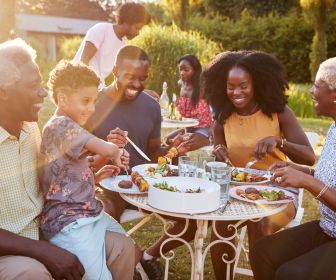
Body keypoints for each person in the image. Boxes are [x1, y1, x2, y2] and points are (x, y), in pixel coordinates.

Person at [86, 45, 199, 280]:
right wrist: (106, 148)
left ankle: (148, 256)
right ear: (115, 70)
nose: (137, 85)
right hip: (106, 186)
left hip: (147, 185)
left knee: (194, 217)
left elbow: (153, 153)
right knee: (102, 214)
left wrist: (174, 149)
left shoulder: (151, 106)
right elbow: (79, 158)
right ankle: (107, 269)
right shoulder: (92, 103)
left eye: (142, 79)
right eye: (130, 77)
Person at [202, 50, 316, 280]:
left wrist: (279, 142)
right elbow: (220, 156)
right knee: (220, 227)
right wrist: (218, 151)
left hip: (279, 191)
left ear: (257, 83)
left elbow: (309, 157)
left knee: (259, 222)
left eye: (243, 85)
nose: (236, 92)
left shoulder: (279, 113)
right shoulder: (222, 117)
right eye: (230, 86)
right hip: (237, 191)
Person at [39, 60, 136, 280]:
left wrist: (97, 176)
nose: (92, 108)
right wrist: (114, 151)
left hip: (88, 214)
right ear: (62, 98)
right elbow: (103, 147)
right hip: (70, 223)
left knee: (128, 246)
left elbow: (66, 177)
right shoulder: (60, 126)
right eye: (86, 101)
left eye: (94, 101)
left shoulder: (68, 127)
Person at [0, 38, 86, 280]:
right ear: (3, 92)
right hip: (9, 253)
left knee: (118, 247)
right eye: (33, 85)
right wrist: (43, 250)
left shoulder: (31, 126)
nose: (43, 92)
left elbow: (48, 179)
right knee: (33, 274)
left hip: (46, 231)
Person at [250, 57, 336, 280]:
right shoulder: (334, 127)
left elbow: (319, 185)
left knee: (291, 274)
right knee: (263, 252)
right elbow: (329, 178)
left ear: (334, 95)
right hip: (328, 228)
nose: (311, 90)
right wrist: (297, 170)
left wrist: (307, 182)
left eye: (317, 85)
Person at [73, 2, 150, 88]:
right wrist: (86, 86)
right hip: (78, 83)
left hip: (96, 88)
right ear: (128, 22)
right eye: (137, 28)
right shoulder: (102, 30)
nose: (138, 33)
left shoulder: (122, 46)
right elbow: (83, 60)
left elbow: (116, 76)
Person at [165, 54, 213, 150]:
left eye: (186, 70)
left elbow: (215, 107)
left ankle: (209, 140)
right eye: (180, 70)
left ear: (195, 71)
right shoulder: (181, 84)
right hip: (186, 127)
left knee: (186, 144)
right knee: (168, 140)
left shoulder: (202, 86)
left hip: (202, 128)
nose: (182, 73)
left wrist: (213, 129)